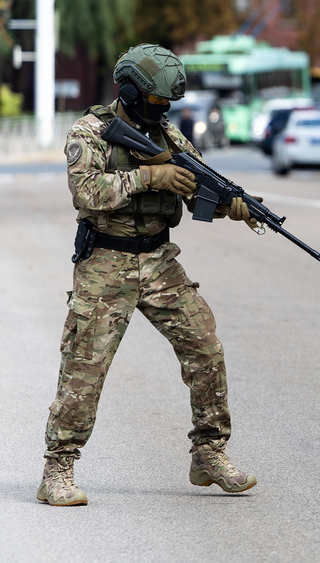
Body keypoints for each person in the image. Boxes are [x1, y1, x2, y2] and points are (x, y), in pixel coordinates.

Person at [37, 44, 258, 506]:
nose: (161, 109)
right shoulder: (90, 132)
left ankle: (209, 453)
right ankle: (57, 468)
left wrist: (230, 207)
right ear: (130, 90)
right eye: (155, 100)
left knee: (205, 347)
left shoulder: (170, 139)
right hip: (105, 264)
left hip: (159, 260)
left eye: (167, 103)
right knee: (84, 369)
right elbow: (87, 193)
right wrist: (147, 178)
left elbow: (198, 190)